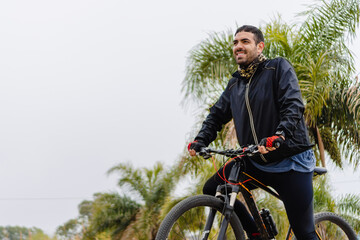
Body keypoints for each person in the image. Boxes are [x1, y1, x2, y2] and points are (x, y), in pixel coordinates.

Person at [188, 25, 318, 240]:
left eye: (245, 41)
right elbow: (216, 115)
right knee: (213, 188)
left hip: (291, 161)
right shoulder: (235, 84)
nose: (238, 46)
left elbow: (293, 104)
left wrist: (280, 135)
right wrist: (201, 139)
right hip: (255, 160)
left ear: (260, 46)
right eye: (235, 42)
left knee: (305, 233)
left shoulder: (277, 68)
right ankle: (255, 232)